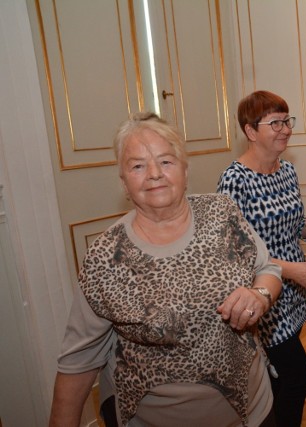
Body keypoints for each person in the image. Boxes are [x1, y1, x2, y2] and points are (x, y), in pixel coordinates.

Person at [49, 112, 282, 427]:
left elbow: (268, 269)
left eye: (166, 161)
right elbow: (78, 362)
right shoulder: (106, 256)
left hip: (252, 410)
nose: (154, 174)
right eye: (137, 166)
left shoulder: (222, 213)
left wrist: (260, 295)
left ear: (185, 170)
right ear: (123, 180)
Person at [217, 91, 306, 426]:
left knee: (279, 381)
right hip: (262, 299)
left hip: (291, 294)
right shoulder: (235, 181)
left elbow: (281, 230)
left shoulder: (287, 171)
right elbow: (232, 255)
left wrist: (305, 228)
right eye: (275, 122)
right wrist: (292, 270)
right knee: (297, 379)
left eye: (286, 121)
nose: (285, 129)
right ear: (251, 131)